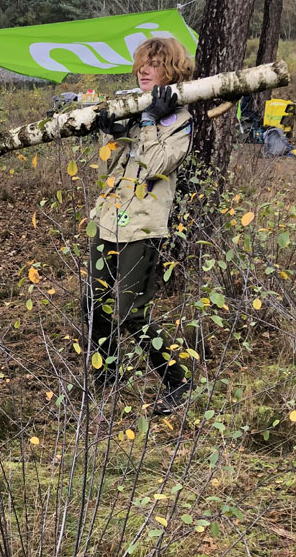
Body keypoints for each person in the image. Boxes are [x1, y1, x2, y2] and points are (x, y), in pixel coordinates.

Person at [86, 37, 197, 415]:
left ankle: (176, 380)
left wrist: (149, 121)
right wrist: (112, 133)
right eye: (142, 63)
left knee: (131, 311)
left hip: (144, 227)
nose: (145, 70)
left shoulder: (180, 120)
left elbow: (154, 166)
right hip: (108, 219)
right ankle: (106, 377)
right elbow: (106, 171)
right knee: (94, 304)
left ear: (172, 70)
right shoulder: (133, 111)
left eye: (156, 63)